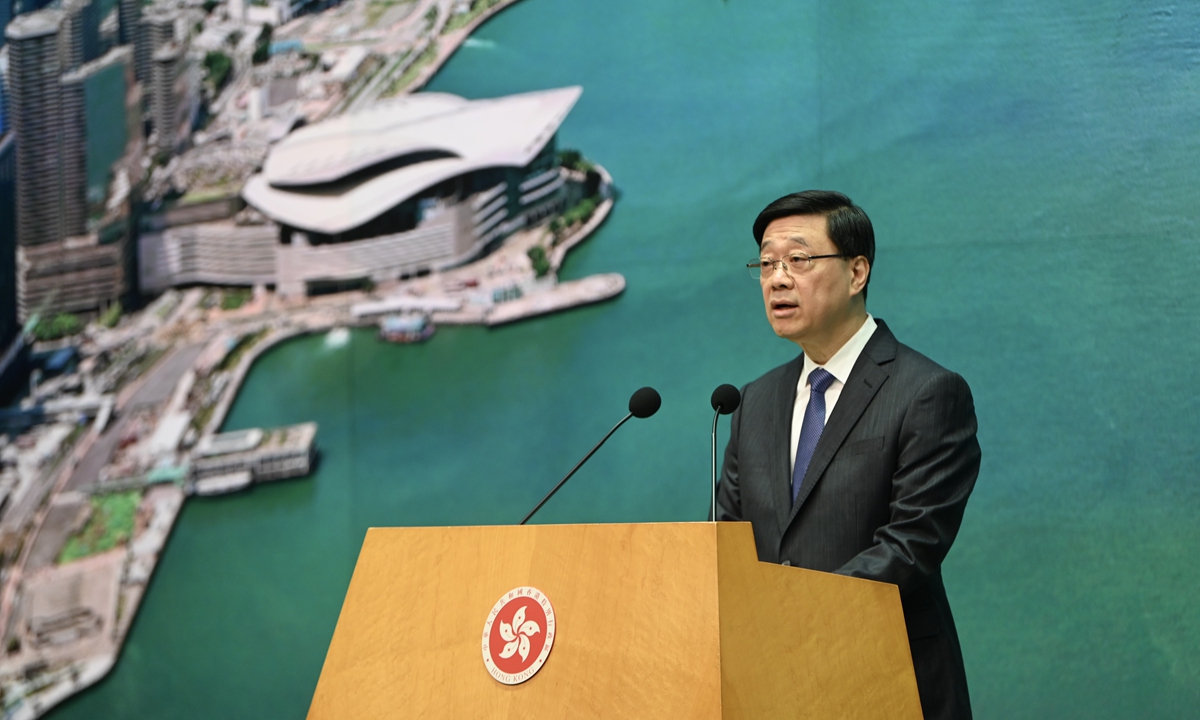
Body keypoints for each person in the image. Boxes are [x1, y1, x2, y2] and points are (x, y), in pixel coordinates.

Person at [715, 190, 980, 720]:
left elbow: (911, 545)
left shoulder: (926, 392)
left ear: (857, 272)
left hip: (886, 679)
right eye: (766, 263)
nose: (777, 279)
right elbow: (724, 538)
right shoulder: (755, 401)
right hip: (773, 687)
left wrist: (791, 614)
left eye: (798, 259)